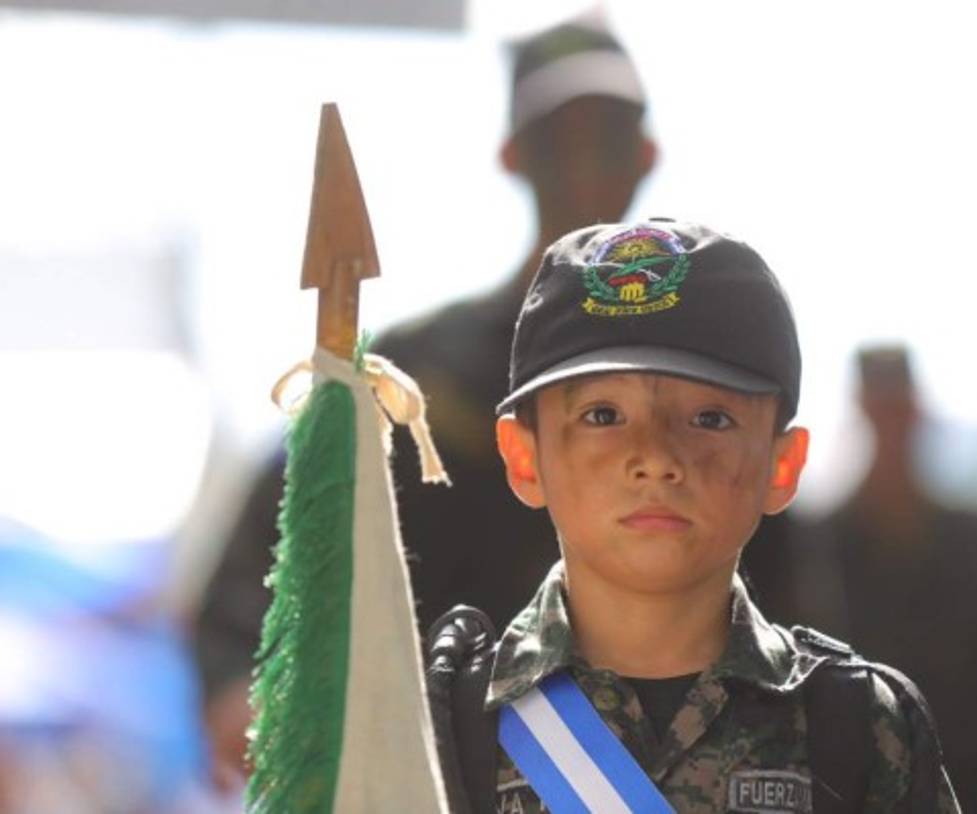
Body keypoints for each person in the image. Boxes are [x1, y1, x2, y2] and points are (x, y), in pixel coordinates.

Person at [192, 15, 668, 789]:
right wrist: (237, 692)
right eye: (559, 139)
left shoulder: (696, 389)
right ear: (514, 156)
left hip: (636, 780)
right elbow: (270, 546)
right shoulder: (409, 374)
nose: (584, 163)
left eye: (607, 136)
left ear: (646, 155)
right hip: (429, 774)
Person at [426, 219, 961, 812]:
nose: (656, 458)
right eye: (604, 415)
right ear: (525, 458)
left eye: (710, 419)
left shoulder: (861, 729)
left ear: (782, 467)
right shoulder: (446, 730)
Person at [748, 345, 977, 814]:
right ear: (862, 415)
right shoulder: (807, 555)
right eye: (880, 413)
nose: (891, 430)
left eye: (899, 412)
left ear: (918, 414)